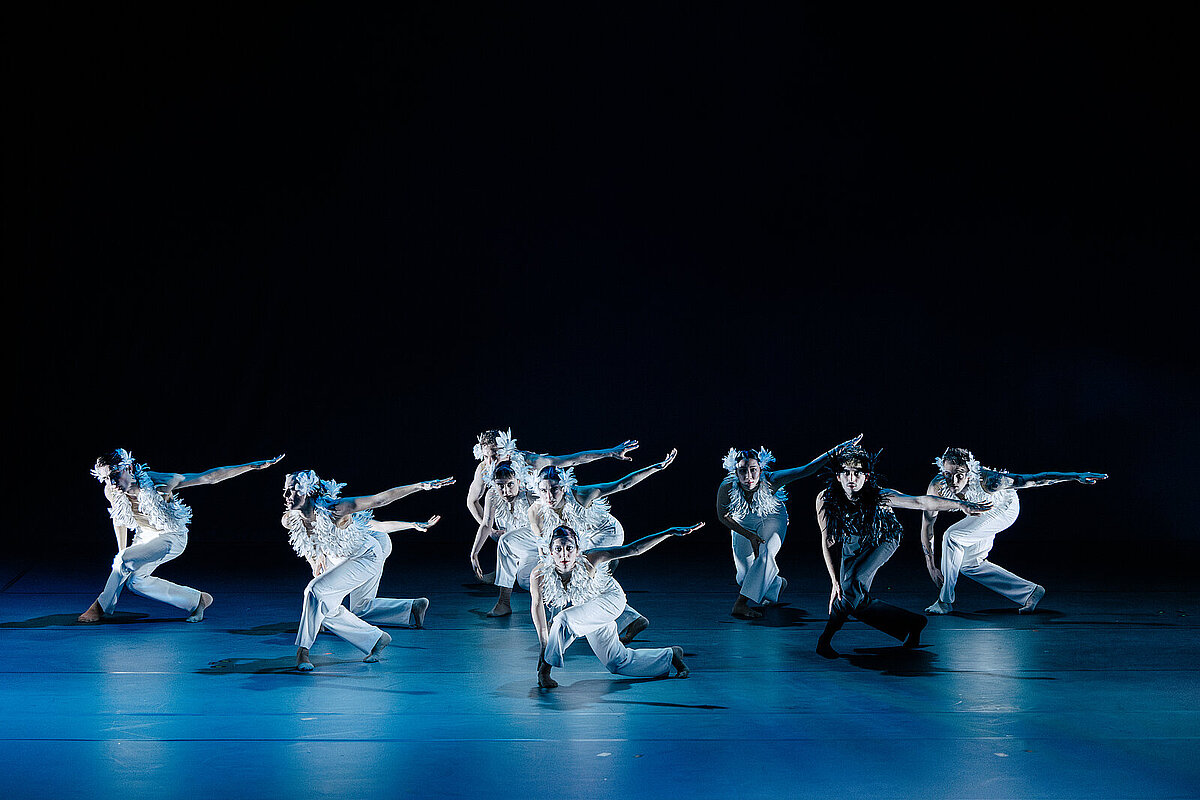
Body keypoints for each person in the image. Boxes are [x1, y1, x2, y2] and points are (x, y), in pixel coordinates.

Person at [815, 446, 991, 658]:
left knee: (852, 588)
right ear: (838, 476)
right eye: (846, 473)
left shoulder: (880, 496)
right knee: (854, 599)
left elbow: (920, 501)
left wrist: (961, 504)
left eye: (858, 473)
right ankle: (913, 623)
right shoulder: (825, 498)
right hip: (852, 539)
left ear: (866, 476)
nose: (851, 479)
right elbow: (828, 540)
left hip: (883, 538)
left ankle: (824, 640)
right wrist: (834, 581)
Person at [80, 448, 284, 623]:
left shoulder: (161, 481)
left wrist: (251, 466)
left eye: (115, 474)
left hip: (172, 537)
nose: (111, 482)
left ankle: (100, 607)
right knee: (135, 582)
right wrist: (123, 554)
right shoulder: (112, 491)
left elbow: (209, 477)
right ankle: (197, 600)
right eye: (105, 478)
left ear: (129, 468)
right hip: (145, 536)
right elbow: (120, 519)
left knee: (124, 560)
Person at [282, 469, 454, 671]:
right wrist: (315, 559)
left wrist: (420, 486)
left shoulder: (336, 508)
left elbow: (380, 500)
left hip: (365, 556)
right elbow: (307, 543)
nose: (286, 495)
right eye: (285, 490)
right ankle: (376, 639)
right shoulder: (291, 519)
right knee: (325, 608)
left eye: (292, 490)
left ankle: (303, 651)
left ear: (309, 492)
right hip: (339, 557)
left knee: (314, 590)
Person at [920, 447, 1107, 614]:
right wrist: (931, 565)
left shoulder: (991, 480)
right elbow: (927, 525)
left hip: (1004, 509)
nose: (953, 481)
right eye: (948, 474)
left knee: (952, 536)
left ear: (969, 473)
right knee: (969, 564)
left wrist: (1075, 476)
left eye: (959, 475)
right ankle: (1030, 592)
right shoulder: (937, 487)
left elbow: (1036, 479)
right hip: (981, 513)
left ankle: (944, 601)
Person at [529, 450, 678, 642]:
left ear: (564, 487)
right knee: (564, 570)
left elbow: (621, 484)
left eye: (555, 489)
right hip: (582, 538)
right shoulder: (536, 511)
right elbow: (544, 550)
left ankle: (621, 619)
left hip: (607, 532)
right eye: (543, 491)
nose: (549, 496)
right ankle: (632, 619)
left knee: (583, 575)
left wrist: (656, 468)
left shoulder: (581, 495)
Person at [530, 523, 701, 689]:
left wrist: (668, 532)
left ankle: (545, 670)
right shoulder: (539, 573)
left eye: (569, 548)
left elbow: (633, 549)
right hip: (589, 608)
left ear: (577, 550)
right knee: (616, 662)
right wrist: (544, 643)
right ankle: (671, 656)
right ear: (550, 552)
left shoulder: (591, 558)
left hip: (610, 599)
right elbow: (537, 606)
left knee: (563, 620)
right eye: (558, 549)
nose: (564, 555)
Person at [716, 435, 861, 620]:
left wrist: (837, 450)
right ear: (735, 472)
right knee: (745, 577)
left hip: (771, 517)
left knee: (765, 555)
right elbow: (723, 516)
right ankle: (777, 585)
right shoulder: (727, 486)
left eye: (753, 470)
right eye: (742, 471)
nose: (748, 477)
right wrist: (749, 535)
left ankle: (740, 604)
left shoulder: (772, 480)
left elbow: (806, 469)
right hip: (743, 521)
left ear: (761, 469)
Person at [466, 429, 640, 529]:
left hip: (539, 513)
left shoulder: (529, 461)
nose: (492, 462)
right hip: (509, 518)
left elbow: (573, 460)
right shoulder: (484, 469)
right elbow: (472, 501)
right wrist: (489, 530)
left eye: (495, 455)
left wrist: (609, 452)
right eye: (486, 456)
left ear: (507, 451)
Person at [470, 460, 540, 617]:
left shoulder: (530, 494)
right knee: (524, 581)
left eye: (510, 484)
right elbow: (486, 524)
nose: (505, 490)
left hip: (538, 539)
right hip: (521, 548)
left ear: (519, 481)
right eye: (500, 485)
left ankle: (503, 602)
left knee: (505, 541)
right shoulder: (492, 495)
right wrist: (474, 553)